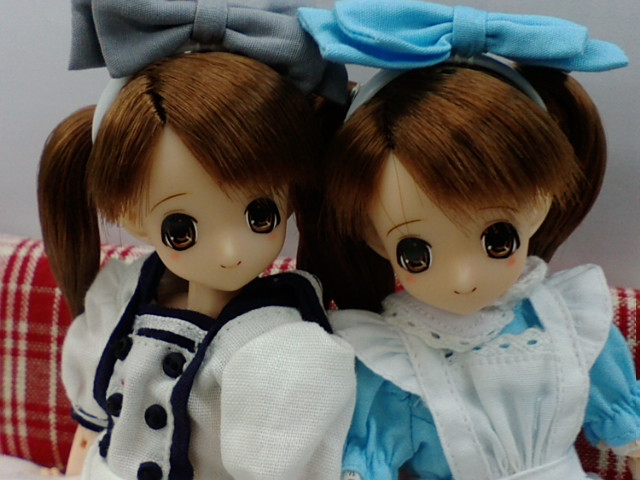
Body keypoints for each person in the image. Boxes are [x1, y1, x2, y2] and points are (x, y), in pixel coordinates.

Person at [297, 1, 640, 479]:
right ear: (371, 236)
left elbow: (625, 427)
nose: (463, 278)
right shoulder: (389, 357)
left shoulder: (571, 319)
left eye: (498, 239)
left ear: (540, 204)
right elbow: (373, 456)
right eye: (416, 253)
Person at [37, 2, 355, 479]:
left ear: (291, 197)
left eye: (260, 214)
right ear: (132, 217)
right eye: (181, 230)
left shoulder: (279, 346)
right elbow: (93, 429)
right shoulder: (121, 297)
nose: (230, 252)